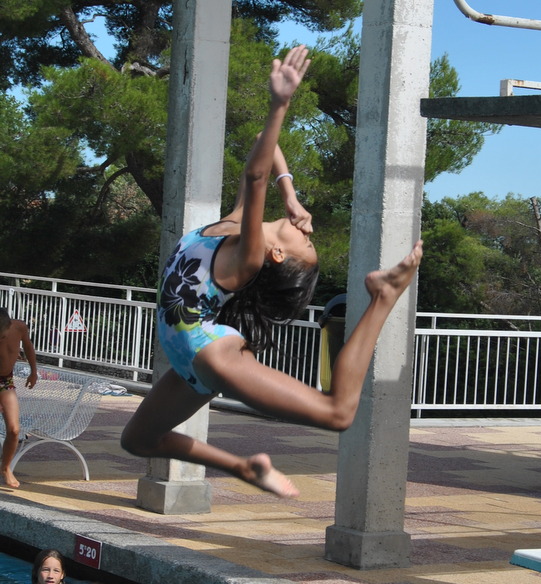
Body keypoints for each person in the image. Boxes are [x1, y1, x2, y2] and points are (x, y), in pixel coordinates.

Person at [121, 45, 423, 499]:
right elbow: (265, 148)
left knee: (338, 413)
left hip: (211, 354)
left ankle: (382, 296)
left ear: (276, 256)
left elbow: (255, 174)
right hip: (189, 362)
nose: (308, 230)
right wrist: (291, 196)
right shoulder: (233, 223)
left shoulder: (246, 257)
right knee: (137, 441)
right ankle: (243, 467)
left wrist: (280, 103)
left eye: (307, 244)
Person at [0, 307, 38, 488]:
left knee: (14, 430)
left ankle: (6, 468)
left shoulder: (20, 327)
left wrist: (33, 372)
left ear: (9, 325)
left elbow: (28, 346)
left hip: (5, 381)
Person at [24, 548, 104, 584]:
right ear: (36, 571)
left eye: (56, 571)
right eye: (46, 570)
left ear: (62, 574)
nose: (50, 576)